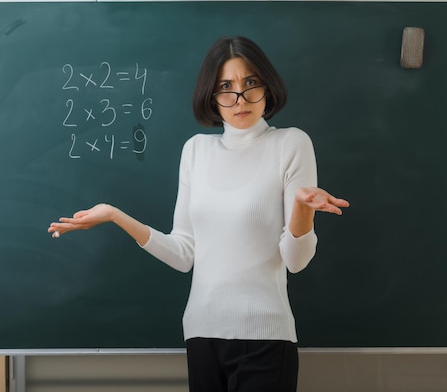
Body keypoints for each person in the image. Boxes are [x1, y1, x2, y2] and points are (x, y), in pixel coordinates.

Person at [48, 36, 349, 392]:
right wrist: (115, 215)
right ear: (211, 96)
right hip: (202, 334)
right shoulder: (196, 151)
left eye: (250, 83)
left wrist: (301, 209)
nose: (240, 98)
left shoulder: (290, 143)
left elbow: (295, 261)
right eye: (226, 87)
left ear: (267, 87)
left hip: (266, 338)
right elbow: (183, 253)